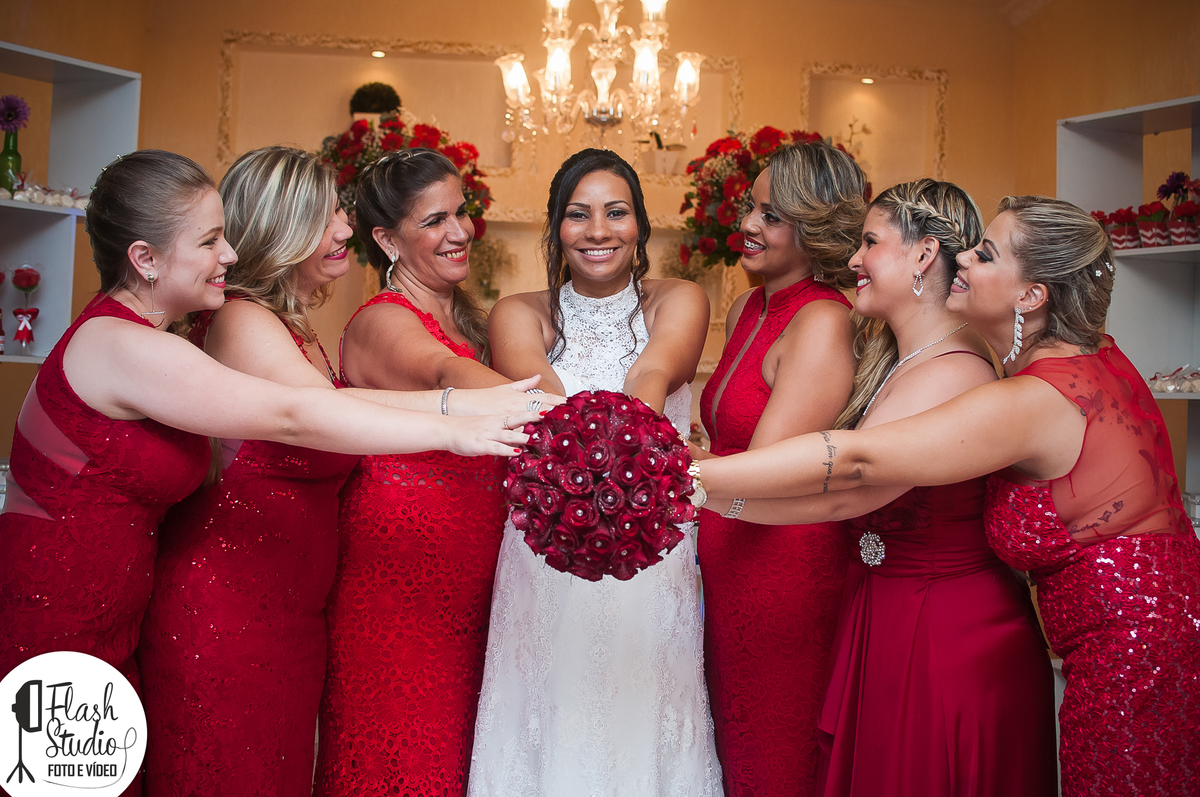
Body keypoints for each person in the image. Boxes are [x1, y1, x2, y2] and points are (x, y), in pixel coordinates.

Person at [0, 149, 537, 796]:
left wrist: (469, 406)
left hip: (121, 614)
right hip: (59, 621)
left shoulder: (160, 336)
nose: (229, 253)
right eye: (209, 240)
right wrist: (457, 427)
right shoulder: (120, 343)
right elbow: (292, 412)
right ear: (145, 259)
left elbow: (316, 401)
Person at [695, 195, 1200, 797]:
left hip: (1130, 656)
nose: (962, 259)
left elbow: (857, 464)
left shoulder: (1033, 399)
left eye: (985, 255)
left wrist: (685, 475)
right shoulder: (1095, 358)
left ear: (1032, 296)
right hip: (1147, 635)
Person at [466, 148, 721, 796]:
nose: (599, 230)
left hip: (652, 548)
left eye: (616, 212)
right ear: (555, 228)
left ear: (640, 225)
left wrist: (621, 477)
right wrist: (606, 466)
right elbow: (541, 395)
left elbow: (651, 376)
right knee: (547, 706)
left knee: (645, 706)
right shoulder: (518, 312)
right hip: (544, 541)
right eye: (579, 215)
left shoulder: (680, 298)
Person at [315, 148, 564, 796]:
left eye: (462, 212)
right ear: (385, 239)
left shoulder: (470, 318)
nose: (459, 232)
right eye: (434, 221)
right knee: (400, 765)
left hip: (469, 593)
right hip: (399, 598)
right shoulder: (382, 320)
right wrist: (574, 430)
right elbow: (447, 374)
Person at [695, 140, 859, 796]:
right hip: (729, 555)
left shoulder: (823, 320)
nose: (749, 226)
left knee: (776, 756)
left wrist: (654, 464)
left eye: (772, 216)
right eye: (751, 209)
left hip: (784, 568)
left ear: (815, 226)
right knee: (733, 748)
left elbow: (766, 470)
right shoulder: (746, 308)